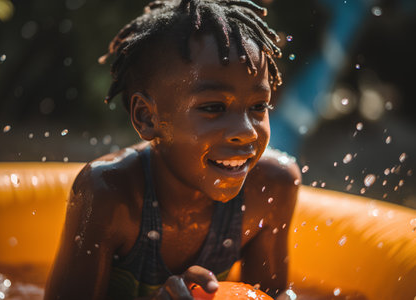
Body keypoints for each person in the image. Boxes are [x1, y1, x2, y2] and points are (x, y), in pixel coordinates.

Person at [44, 0, 300, 299]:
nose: (246, 132)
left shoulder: (270, 188)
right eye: (213, 107)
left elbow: (274, 295)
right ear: (147, 117)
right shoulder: (110, 195)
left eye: (258, 106)